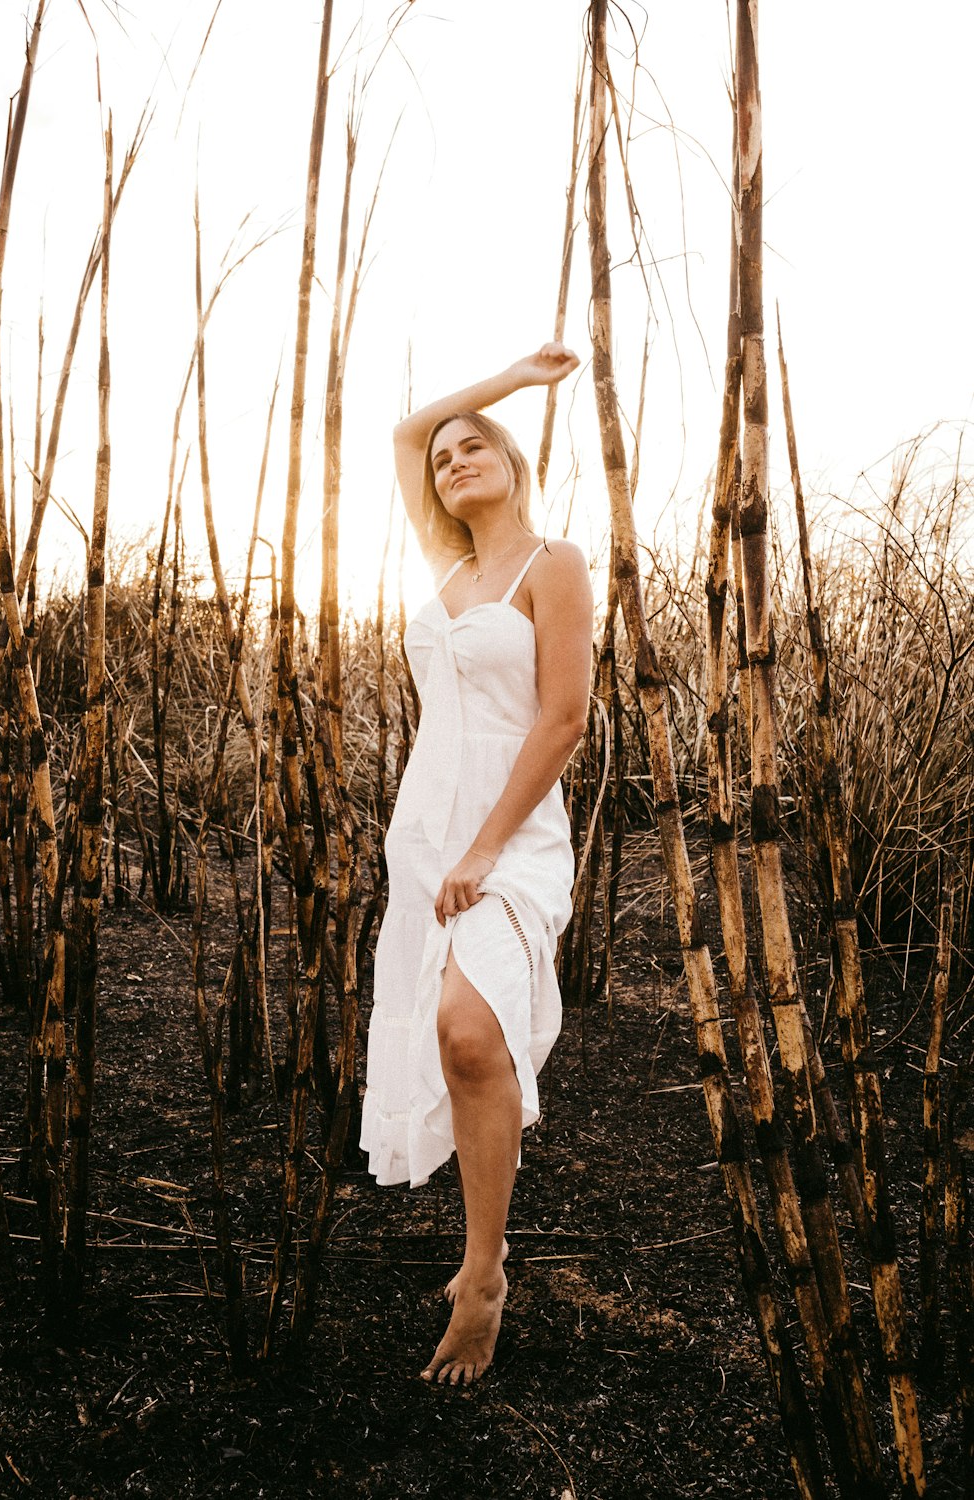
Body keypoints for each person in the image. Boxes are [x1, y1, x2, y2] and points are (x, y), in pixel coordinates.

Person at [359, 343, 594, 1385]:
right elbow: (405, 433)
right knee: (452, 1041)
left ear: (512, 462)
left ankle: (485, 1272)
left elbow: (565, 717)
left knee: (468, 1025)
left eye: (476, 446)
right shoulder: (443, 563)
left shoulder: (556, 565)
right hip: (428, 824)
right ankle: (480, 1257)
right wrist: (503, 376)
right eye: (447, 456)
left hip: (513, 825)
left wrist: (489, 845)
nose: (452, 457)